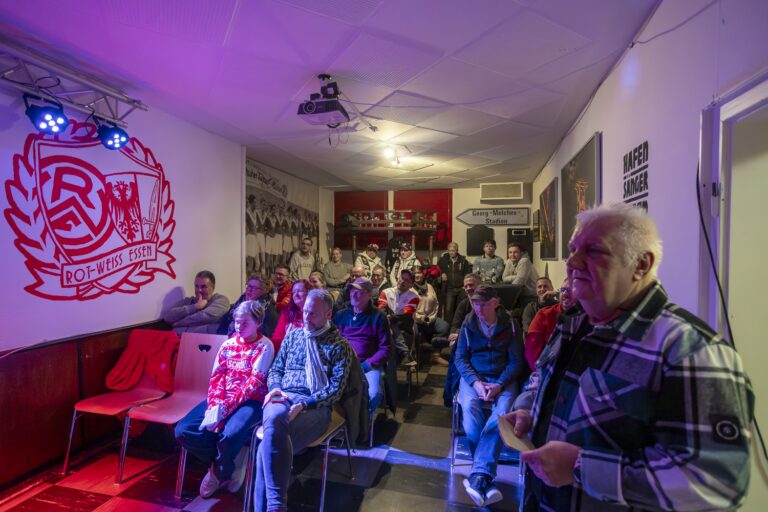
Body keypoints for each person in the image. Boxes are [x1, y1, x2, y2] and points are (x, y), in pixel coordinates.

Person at [503, 203, 754, 511]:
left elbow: (715, 483)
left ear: (641, 264)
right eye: (573, 248)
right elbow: (541, 377)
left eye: (593, 250)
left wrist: (581, 468)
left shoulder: (692, 350)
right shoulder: (574, 322)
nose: (573, 261)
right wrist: (530, 408)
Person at [255, 289, 354, 512]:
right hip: (282, 395)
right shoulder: (293, 336)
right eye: (305, 312)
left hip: (314, 406)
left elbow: (335, 391)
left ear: (328, 315)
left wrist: (305, 404)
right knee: (275, 423)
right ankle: (276, 506)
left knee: (266, 449)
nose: (306, 318)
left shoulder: (339, 346)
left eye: (313, 314)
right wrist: (276, 389)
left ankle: (273, 507)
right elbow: (276, 370)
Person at [175, 301, 274, 498]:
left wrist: (225, 409)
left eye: (245, 323)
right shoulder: (228, 344)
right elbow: (217, 376)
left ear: (258, 323)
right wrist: (214, 404)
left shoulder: (265, 346)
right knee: (183, 430)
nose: (239, 327)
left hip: (250, 401)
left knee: (230, 434)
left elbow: (254, 383)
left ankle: (220, 471)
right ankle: (225, 463)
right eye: (237, 322)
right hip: (222, 400)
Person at [455, 285, 523, 507]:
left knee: (502, 414)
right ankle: (485, 477)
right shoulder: (468, 323)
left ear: (496, 303)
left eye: (483, 304)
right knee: (470, 409)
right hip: (474, 377)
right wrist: (475, 383)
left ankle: (478, 476)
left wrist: (499, 384)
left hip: (502, 378)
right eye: (475, 303)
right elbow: (460, 359)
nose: (478, 308)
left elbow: (516, 361)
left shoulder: (511, 324)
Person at [333, 277, 391, 413]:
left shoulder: (378, 316)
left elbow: (386, 349)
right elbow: (333, 342)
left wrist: (367, 364)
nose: (353, 294)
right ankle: (342, 426)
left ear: (369, 294)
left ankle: (363, 425)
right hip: (342, 364)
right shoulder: (341, 315)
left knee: (373, 394)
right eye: (352, 290)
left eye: (359, 291)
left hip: (367, 365)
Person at [523, 279, 574, 371]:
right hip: (546, 369)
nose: (565, 294)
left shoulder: (588, 317)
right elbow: (532, 351)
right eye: (562, 290)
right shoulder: (544, 314)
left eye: (570, 290)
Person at [163, 270, 230, 334]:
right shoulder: (189, 301)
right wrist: (195, 307)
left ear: (212, 287)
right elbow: (167, 317)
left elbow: (205, 316)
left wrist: (178, 323)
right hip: (180, 340)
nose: (199, 290)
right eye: (196, 286)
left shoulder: (221, 300)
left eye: (203, 287)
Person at [378, 268, 420, 366]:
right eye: (402, 278)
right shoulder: (386, 292)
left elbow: (405, 315)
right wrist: (388, 319)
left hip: (405, 326)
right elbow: (381, 310)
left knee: (392, 323)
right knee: (387, 323)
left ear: (411, 285)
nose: (402, 281)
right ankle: (405, 352)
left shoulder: (414, 297)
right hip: (387, 324)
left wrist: (388, 319)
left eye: (407, 280)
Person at [218, 274, 279, 339]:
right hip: (228, 339)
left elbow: (263, 336)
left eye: (254, 288)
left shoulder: (269, 311)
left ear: (264, 290)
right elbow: (226, 322)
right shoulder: (241, 301)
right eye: (249, 286)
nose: (249, 290)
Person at [412, 266, 450, 365]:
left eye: (419, 273)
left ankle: (435, 354)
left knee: (444, 326)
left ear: (423, 274)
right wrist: (421, 318)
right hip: (416, 320)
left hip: (430, 318)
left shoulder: (429, 286)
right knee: (413, 332)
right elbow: (409, 310)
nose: (417, 275)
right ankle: (413, 358)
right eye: (415, 273)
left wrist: (432, 317)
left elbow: (436, 304)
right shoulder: (410, 289)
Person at [437, 242, 471, 323]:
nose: (451, 252)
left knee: (461, 309)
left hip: (461, 288)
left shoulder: (463, 261)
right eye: (450, 251)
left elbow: (468, 273)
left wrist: (465, 285)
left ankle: (460, 326)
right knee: (448, 310)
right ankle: (448, 329)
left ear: (457, 250)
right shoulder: (443, 260)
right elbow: (437, 270)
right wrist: (442, 274)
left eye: (453, 250)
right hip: (449, 288)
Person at [271, 279, 310, 350]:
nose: (296, 294)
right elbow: (277, 337)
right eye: (294, 292)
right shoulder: (287, 313)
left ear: (309, 293)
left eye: (299, 291)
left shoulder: (316, 314)